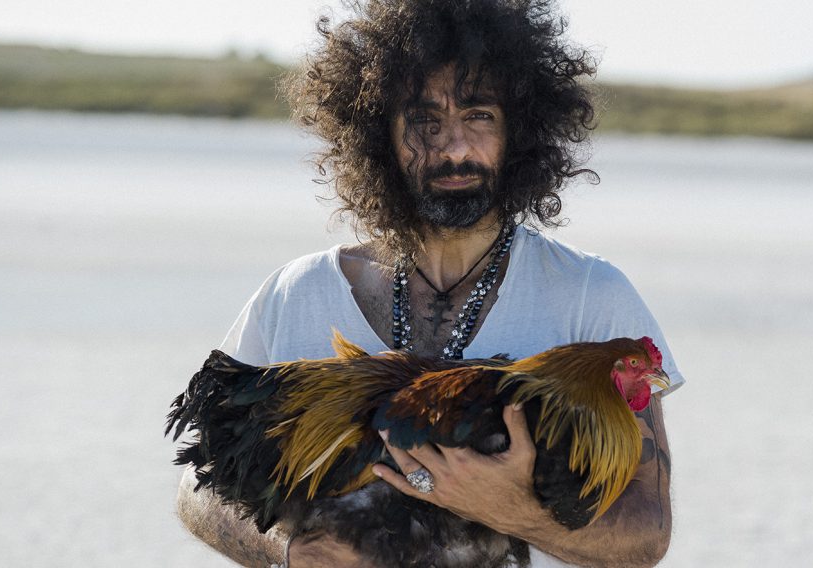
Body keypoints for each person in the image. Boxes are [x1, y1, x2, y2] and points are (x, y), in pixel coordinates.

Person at [175, 0, 686, 566]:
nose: (453, 147)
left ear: (521, 131)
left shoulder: (594, 296)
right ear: (377, 137)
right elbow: (199, 488)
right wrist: (296, 551)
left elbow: (647, 536)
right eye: (423, 121)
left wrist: (510, 509)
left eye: (479, 116)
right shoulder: (297, 293)